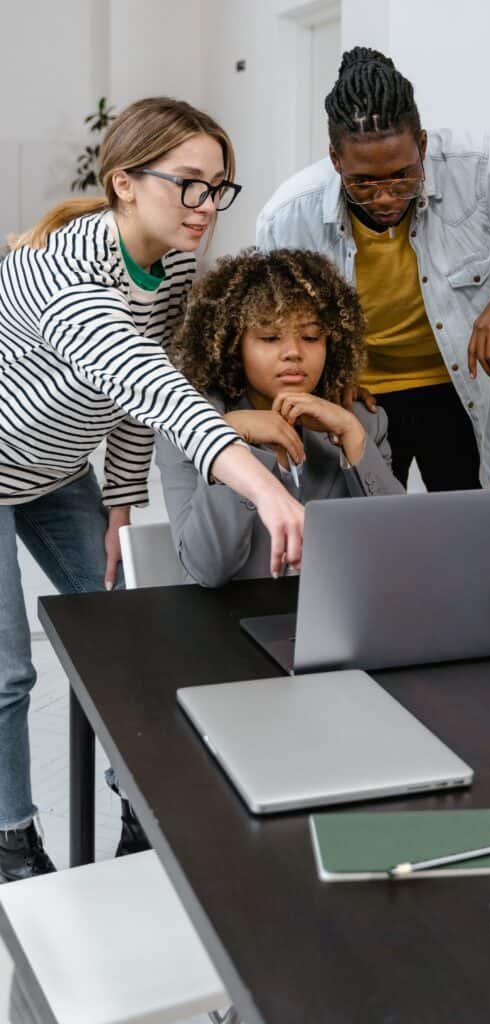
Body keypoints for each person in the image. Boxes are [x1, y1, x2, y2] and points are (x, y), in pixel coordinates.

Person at [0, 97, 304, 881]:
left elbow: (134, 398)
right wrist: (264, 490)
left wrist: (122, 502)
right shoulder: (66, 274)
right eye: (189, 185)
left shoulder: (169, 265)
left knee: (131, 634)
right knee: (9, 672)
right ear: (124, 183)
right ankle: (11, 839)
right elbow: (155, 386)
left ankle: (141, 807)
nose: (206, 206)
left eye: (219, 187)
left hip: (59, 469)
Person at [256, 46, 490, 490]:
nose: (385, 197)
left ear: (423, 145)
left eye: (402, 176)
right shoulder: (287, 216)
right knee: (373, 535)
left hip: (459, 389)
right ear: (336, 160)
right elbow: (272, 326)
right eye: (363, 182)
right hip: (361, 398)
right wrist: (324, 381)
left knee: (469, 527)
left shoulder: (484, 167)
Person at [157, 248, 404, 585]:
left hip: (337, 620)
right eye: (270, 338)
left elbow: (400, 549)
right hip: (229, 626)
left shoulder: (362, 419)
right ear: (233, 344)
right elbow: (207, 569)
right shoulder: (191, 423)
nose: (293, 353)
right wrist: (236, 440)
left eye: (311, 337)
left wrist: (352, 435)